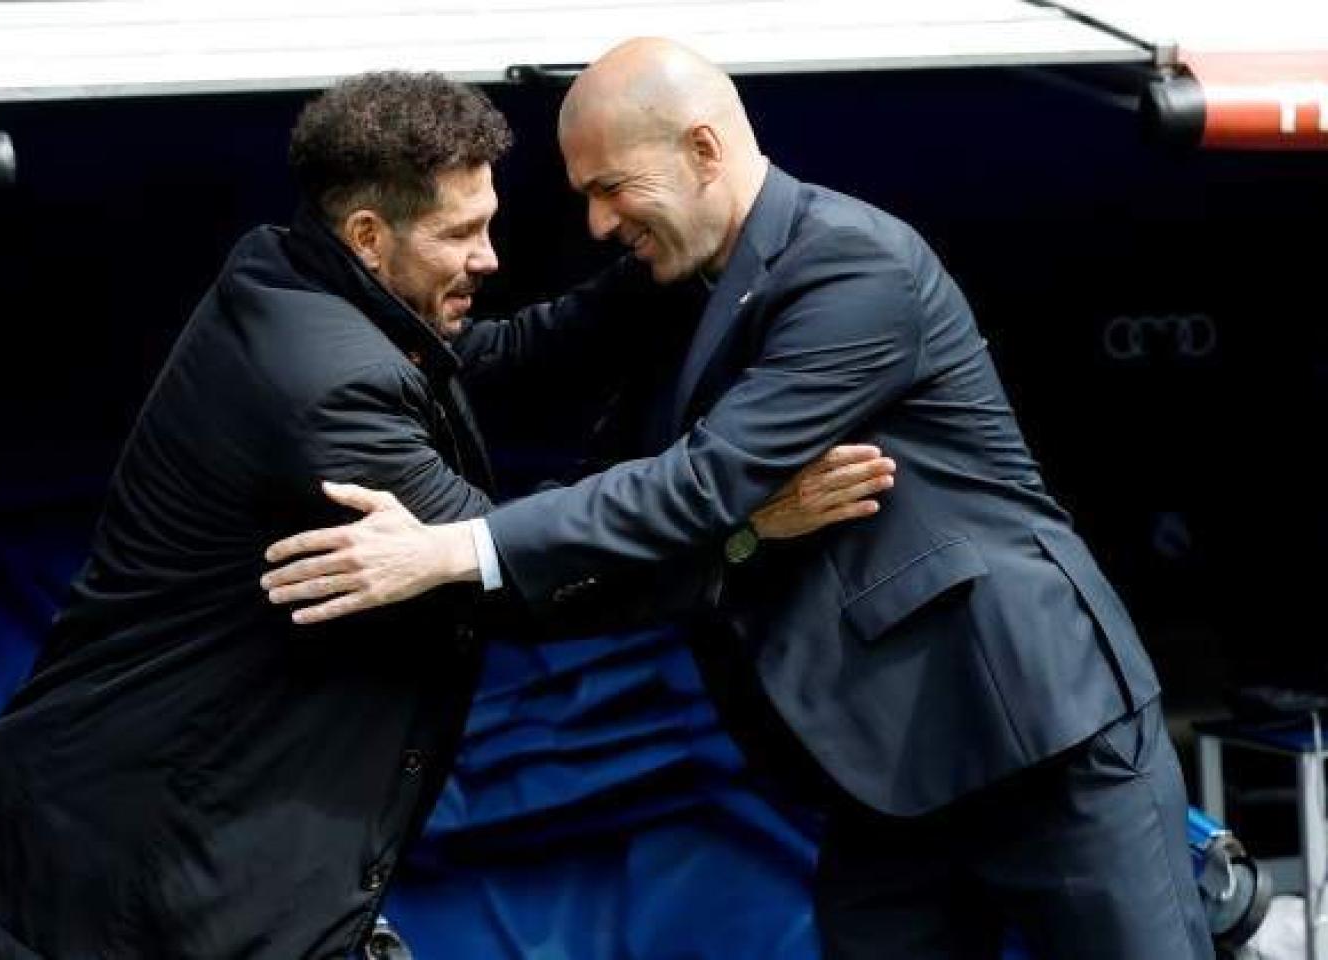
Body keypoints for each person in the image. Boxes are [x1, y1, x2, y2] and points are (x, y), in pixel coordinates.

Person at [262, 39, 1214, 960]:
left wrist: (452, 549)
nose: (596, 223)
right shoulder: (673, 273)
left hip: (1033, 734)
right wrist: (338, 313)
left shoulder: (853, 265)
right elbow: (516, 357)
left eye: (610, 189)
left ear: (704, 151)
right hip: (882, 769)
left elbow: (703, 481)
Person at [0, 70, 888, 959]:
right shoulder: (323, 387)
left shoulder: (297, 283)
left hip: (180, 836)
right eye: (461, 233)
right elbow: (523, 591)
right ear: (366, 234)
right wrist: (748, 529)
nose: (489, 256)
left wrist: (665, 251)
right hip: (153, 861)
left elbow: (500, 356)